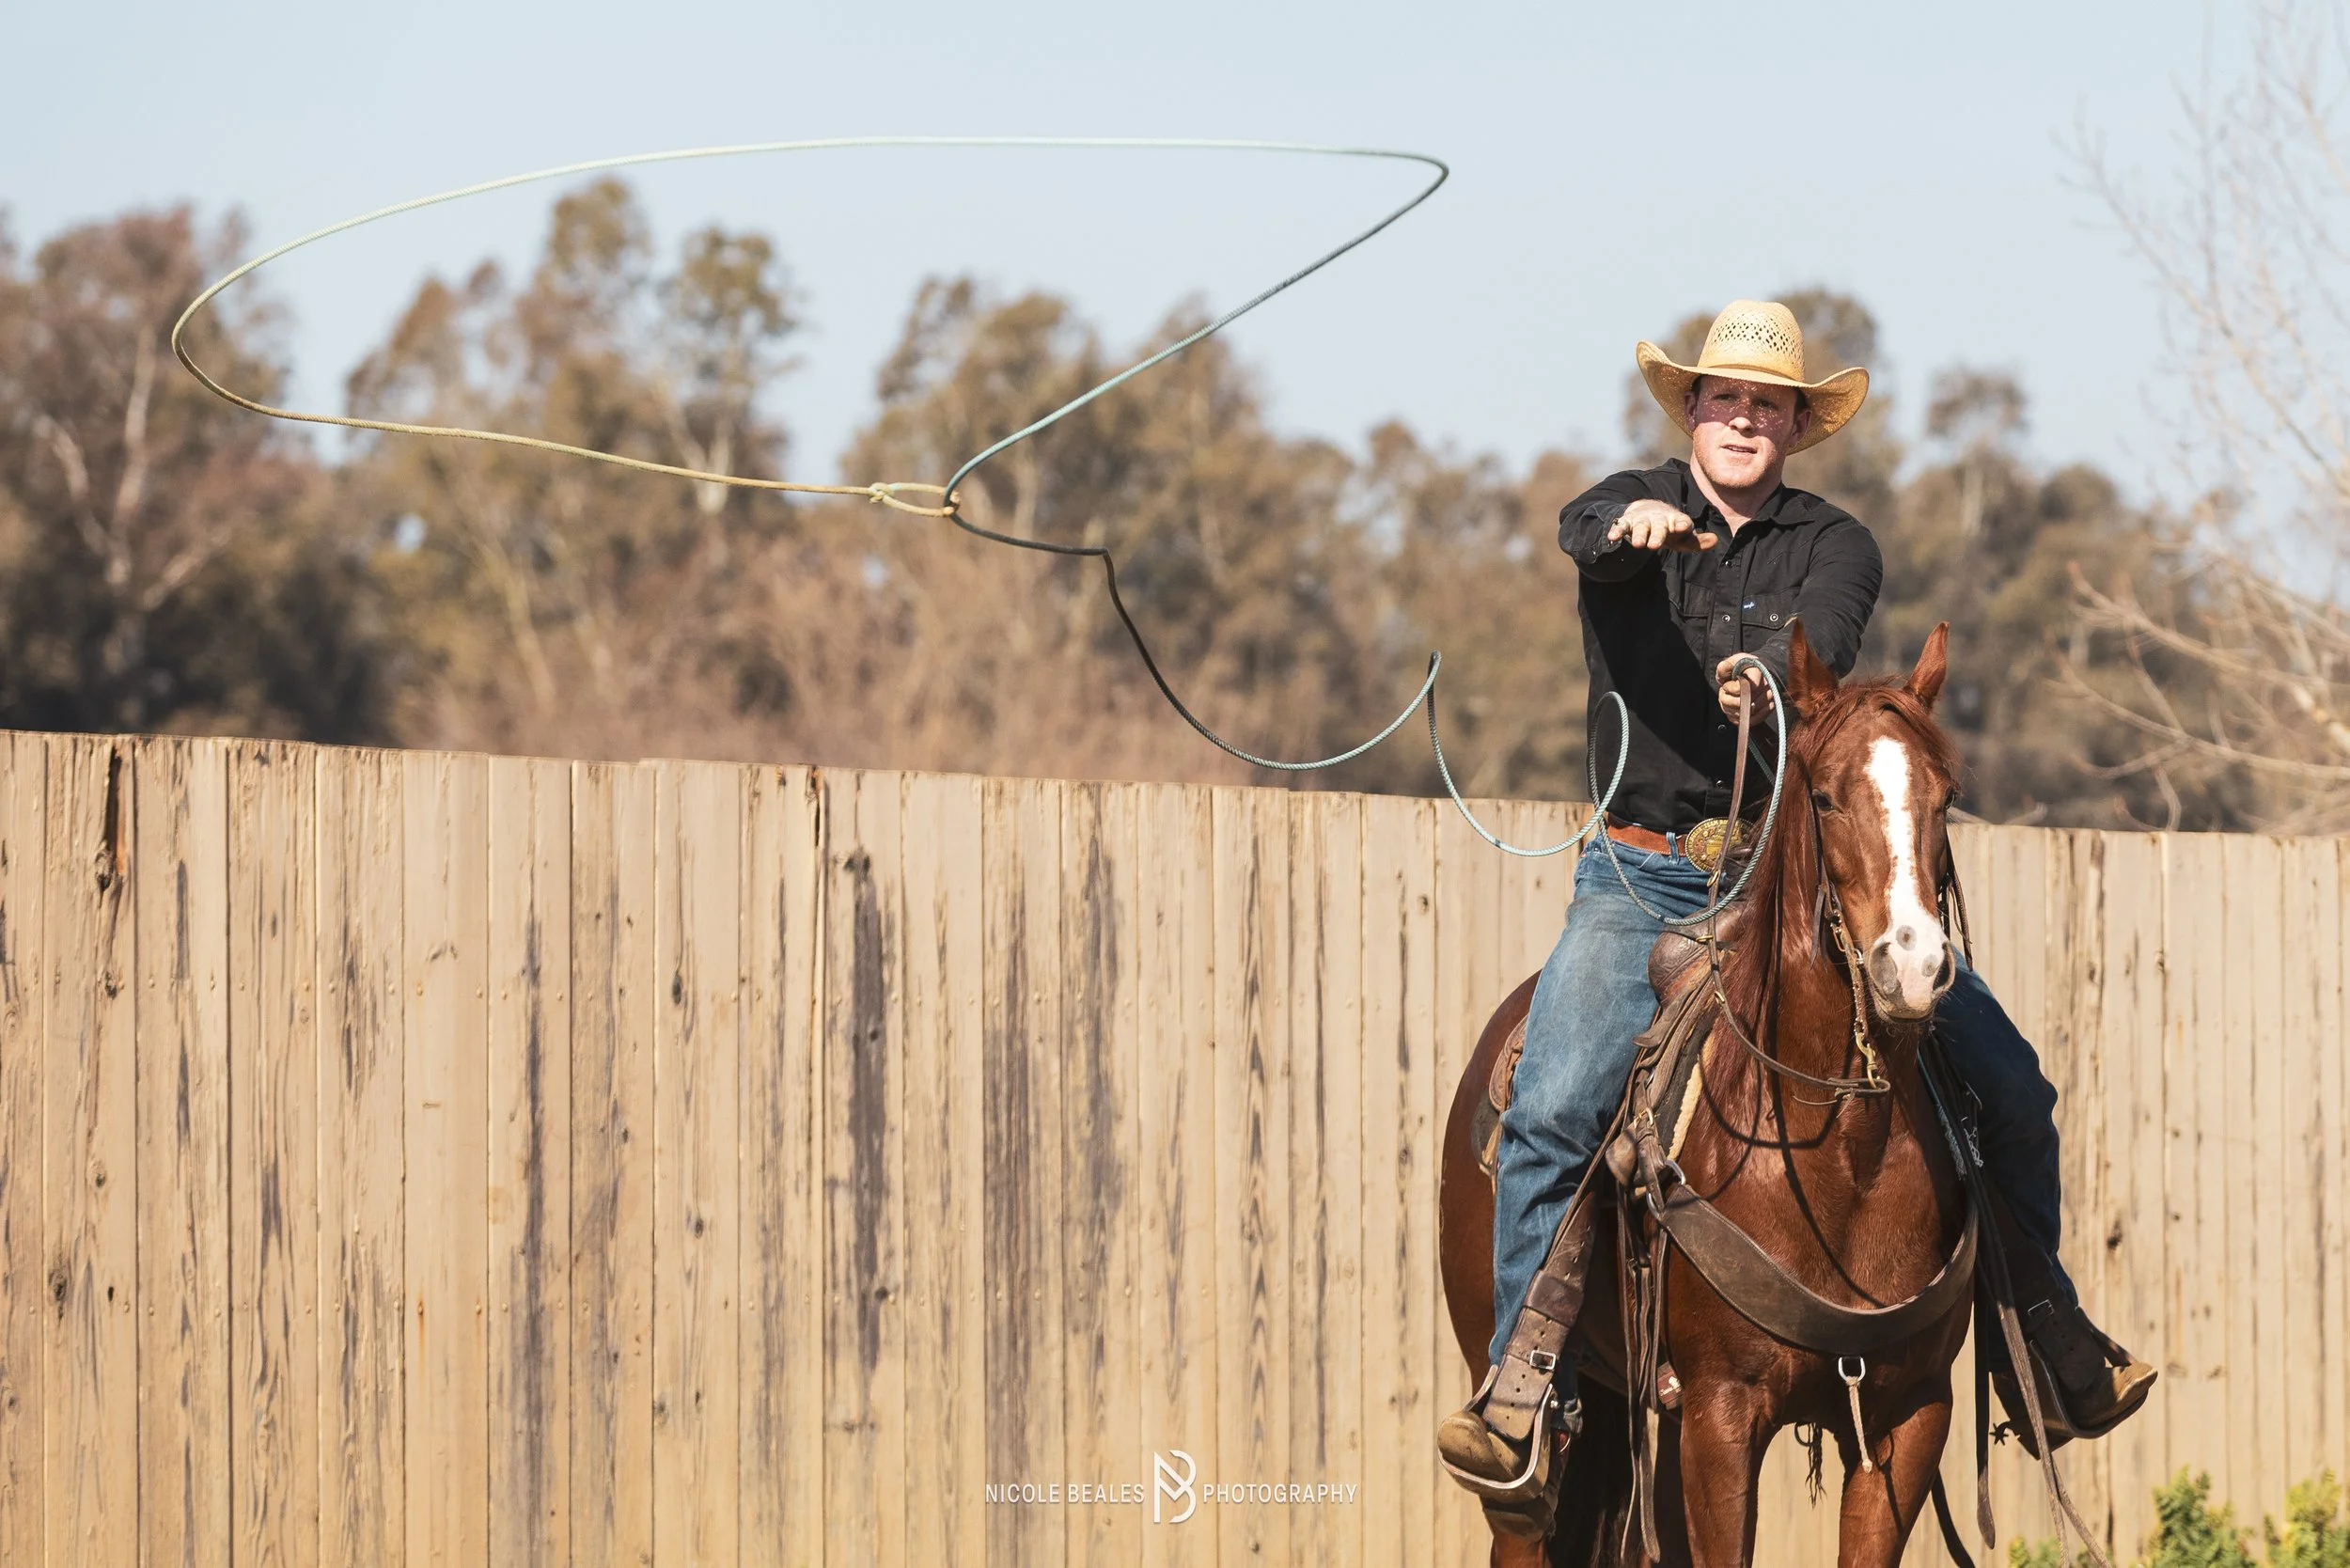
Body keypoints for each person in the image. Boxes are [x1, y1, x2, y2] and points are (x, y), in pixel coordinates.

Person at [1435, 299, 2155, 1489]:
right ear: (1692, 410)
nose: (1743, 420)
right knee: (1555, 1100)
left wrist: (1758, 677)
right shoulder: (1621, 505)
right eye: (1724, 399)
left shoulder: (1835, 544)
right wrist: (1638, 529)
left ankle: (2046, 1350)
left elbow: (1818, 645)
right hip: (1641, 873)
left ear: (1791, 427)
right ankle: (1525, 1388)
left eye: (1766, 405)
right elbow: (1583, 533)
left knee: (2013, 1090)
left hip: (1790, 875)